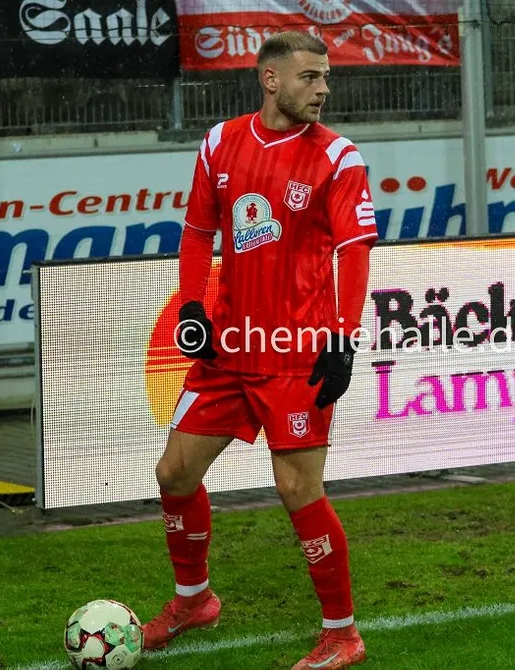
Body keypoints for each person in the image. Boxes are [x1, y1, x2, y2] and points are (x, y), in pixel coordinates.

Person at [141, 31, 377, 670]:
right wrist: (194, 306)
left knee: (298, 487)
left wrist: (342, 338)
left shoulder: (339, 159)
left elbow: (354, 253)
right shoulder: (221, 142)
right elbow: (197, 231)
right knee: (174, 474)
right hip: (230, 349)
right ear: (270, 80)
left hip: (296, 353)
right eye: (310, 77)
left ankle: (343, 635)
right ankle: (194, 600)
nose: (323, 88)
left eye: (327, 77)